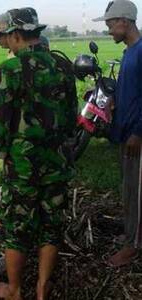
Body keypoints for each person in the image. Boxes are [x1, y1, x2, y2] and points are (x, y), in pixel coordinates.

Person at [0, 7, 77, 300]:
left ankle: (15, 289)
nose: (3, 41)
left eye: (4, 35)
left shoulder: (7, 71)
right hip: (57, 161)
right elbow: (71, 117)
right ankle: (42, 287)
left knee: (18, 227)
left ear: (15, 34)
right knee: (51, 225)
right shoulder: (63, 67)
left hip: (23, 167)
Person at [93, 0, 142, 267]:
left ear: (124, 21)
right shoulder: (129, 52)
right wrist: (113, 103)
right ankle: (132, 236)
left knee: (135, 191)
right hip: (126, 134)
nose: (109, 31)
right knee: (129, 187)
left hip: (137, 137)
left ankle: (133, 245)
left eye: (111, 25)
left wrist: (138, 131)